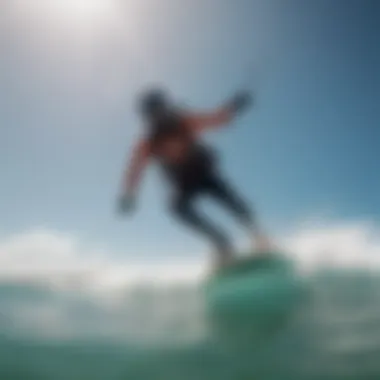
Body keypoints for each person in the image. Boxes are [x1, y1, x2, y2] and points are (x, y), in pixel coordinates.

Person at [118, 88, 268, 269]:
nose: (159, 115)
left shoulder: (183, 121)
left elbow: (216, 119)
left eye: (161, 109)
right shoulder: (148, 143)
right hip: (183, 184)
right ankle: (222, 244)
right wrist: (128, 195)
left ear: (166, 107)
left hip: (204, 175)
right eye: (153, 113)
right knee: (176, 207)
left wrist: (235, 105)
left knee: (234, 202)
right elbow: (135, 170)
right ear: (147, 117)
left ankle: (259, 238)